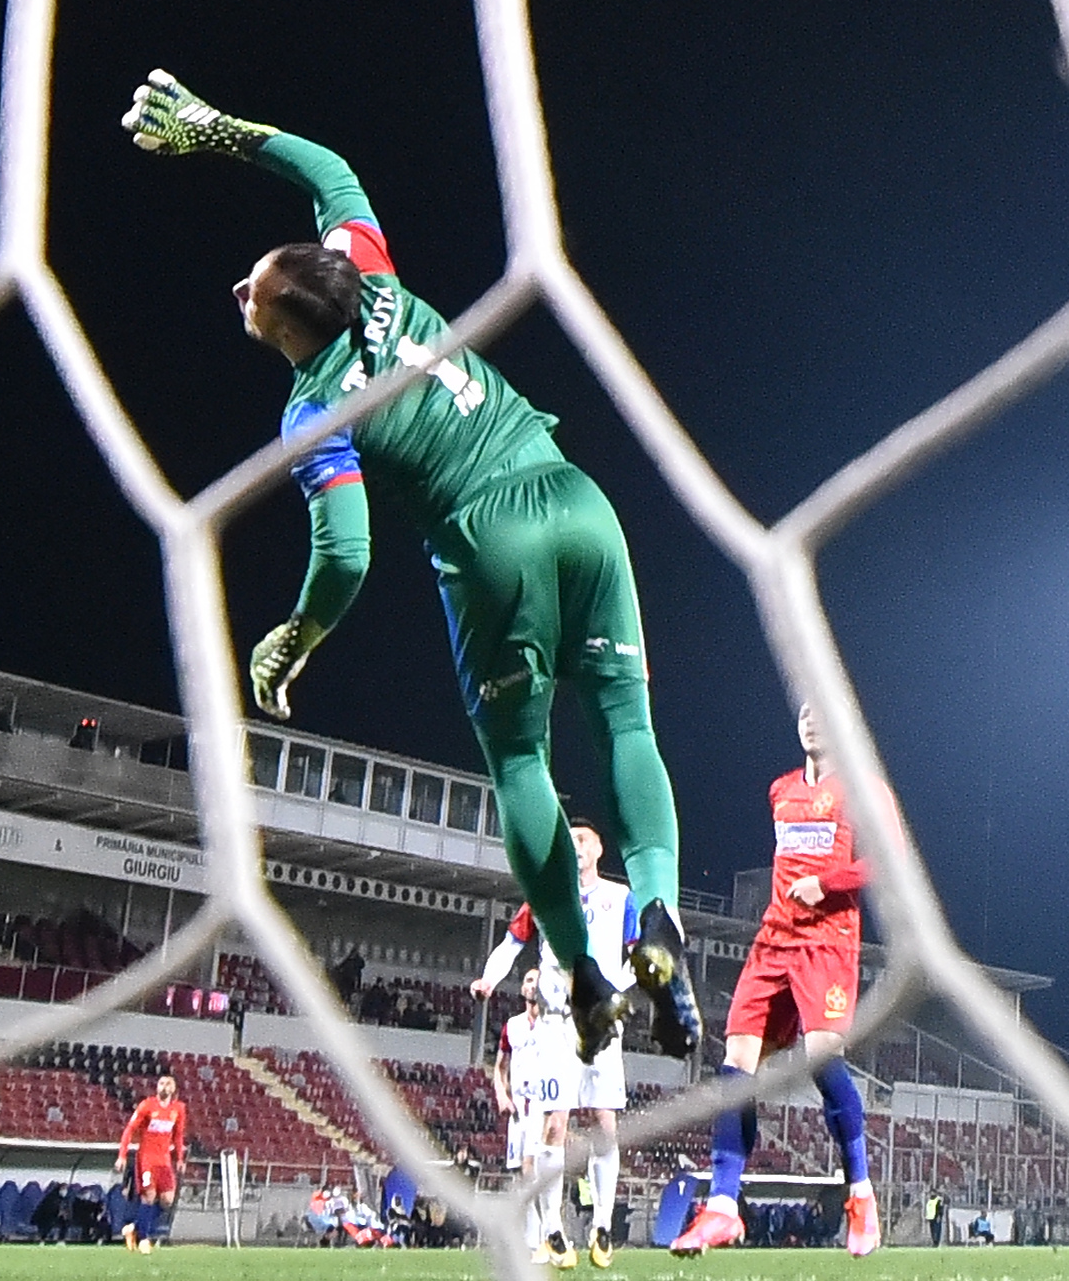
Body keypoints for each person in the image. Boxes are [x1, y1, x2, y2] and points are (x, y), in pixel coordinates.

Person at [125, 69, 697, 1067]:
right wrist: (217, 130)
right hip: (576, 498)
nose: (239, 294)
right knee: (628, 721)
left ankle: (585, 974)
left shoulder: (315, 412)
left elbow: (346, 554)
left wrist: (293, 637)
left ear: (291, 327)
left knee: (523, 762)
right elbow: (329, 169)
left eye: (252, 292)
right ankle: (658, 914)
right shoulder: (368, 271)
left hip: (490, 545)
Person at [671, 704, 885, 1259]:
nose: (812, 720)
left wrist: (829, 883)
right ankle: (721, 1206)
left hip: (829, 942)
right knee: (735, 1066)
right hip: (773, 942)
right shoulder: (780, 790)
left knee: (820, 1059)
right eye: (804, 713)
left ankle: (860, 1192)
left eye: (823, 712)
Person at [475, 819, 635, 1266]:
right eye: (570, 842)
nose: (576, 846)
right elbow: (511, 944)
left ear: (600, 847)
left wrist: (615, 989)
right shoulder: (545, 899)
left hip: (600, 1024)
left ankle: (602, 1225)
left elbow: (639, 954)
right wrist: (489, 980)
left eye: (583, 839)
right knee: (554, 1127)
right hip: (555, 1024)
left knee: (605, 1123)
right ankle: (552, 1230)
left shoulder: (619, 898)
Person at [491, 969, 576, 1266]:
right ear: (522, 989)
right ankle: (538, 1237)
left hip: (545, 1102)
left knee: (537, 1166)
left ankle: (546, 1235)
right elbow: (500, 1066)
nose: (533, 985)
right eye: (528, 980)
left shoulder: (554, 1025)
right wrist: (502, 1094)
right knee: (524, 1173)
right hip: (520, 1106)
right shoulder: (512, 1026)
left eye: (537, 980)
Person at [114, 1072, 190, 1252]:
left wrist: (179, 1158)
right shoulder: (147, 1105)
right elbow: (129, 1130)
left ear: (174, 1088)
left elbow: (178, 1135)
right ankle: (143, 1239)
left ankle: (134, 1228)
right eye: (162, 1083)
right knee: (148, 1196)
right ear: (157, 1087)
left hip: (164, 1160)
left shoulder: (178, 1109)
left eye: (168, 1084)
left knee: (167, 1200)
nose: (164, 1086)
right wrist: (122, 1155)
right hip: (146, 1158)